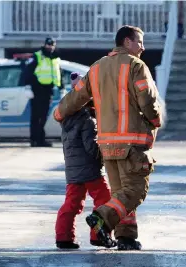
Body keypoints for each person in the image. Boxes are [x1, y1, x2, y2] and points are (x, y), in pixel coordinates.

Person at [53, 25, 163, 251]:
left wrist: (59, 113)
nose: (143, 47)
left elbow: (77, 97)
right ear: (126, 42)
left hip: (107, 144)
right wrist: (155, 120)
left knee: (119, 193)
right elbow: (148, 101)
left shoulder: (96, 67)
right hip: (131, 143)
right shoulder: (136, 66)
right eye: (139, 42)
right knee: (134, 190)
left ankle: (126, 237)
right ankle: (102, 217)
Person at [55, 73, 112, 249]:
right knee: (104, 199)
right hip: (90, 169)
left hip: (72, 170)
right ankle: (97, 236)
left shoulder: (67, 119)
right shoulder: (88, 121)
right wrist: (104, 157)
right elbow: (91, 147)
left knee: (72, 204)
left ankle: (63, 237)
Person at [25, 37, 63, 147]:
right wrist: (28, 87)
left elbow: (59, 73)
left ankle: (40, 139)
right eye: (48, 45)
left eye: (52, 45)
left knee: (43, 117)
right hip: (37, 90)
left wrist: (61, 88)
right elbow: (28, 71)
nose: (50, 47)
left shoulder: (55, 58)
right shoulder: (37, 56)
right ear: (45, 45)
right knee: (36, 117)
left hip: (48, 91)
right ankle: (34, 140)